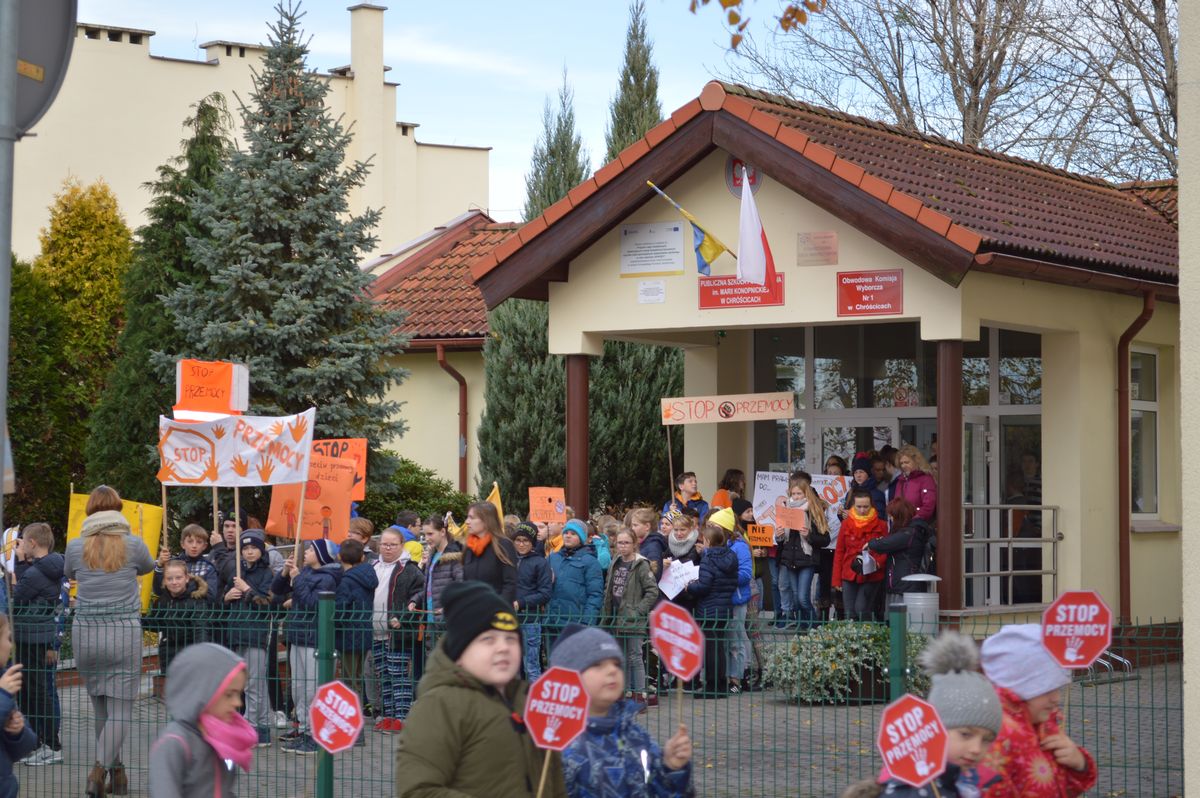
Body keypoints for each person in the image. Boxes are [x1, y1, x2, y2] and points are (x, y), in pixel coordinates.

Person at [394, 582, 568, 798]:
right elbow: (417, 791)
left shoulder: (531, 702)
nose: (503, 647)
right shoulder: (439, 705)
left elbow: (553, 783)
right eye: (488, 640)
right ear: (460, 651)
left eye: (511, 639)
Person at [64, 486, 155, 797]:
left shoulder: (76, 546)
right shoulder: (134, 544)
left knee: (100, 707)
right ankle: (99, 770)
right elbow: (149, 566)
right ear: (118, 509)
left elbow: (68, 571)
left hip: (86, 633)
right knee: (120, 709)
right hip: (122, 634)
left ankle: (117, 775)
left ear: (90, 510)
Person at [841, 632, 1003, 798]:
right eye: (966, 734)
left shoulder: (963, 782)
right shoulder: (911, 792)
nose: (976, 749)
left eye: (986, 739)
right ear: (934, 728)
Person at [551, 625, 694, 798]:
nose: (612, 670)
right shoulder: (559, 746)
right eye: (597, 665)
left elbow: (658, 791)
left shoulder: (637, 736)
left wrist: (671, 768)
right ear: (569, 677)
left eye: (616, 664)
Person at [979, 625, 1097, 797]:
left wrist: (1079, 764)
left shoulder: (1043, 725)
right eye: (1047, 689)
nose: (1056, 698)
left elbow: (1059, 788)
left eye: (1057, 688)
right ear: (1019, 687)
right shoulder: (997, 738)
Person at [148, 643, 254, 798]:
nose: (238, 703)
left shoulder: (221, 737)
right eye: (229, 694)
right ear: (203, 691)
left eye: (239, 694)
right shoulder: (174, 743)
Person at [271, 539, 342, 755]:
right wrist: (285, 572)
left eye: (311, 549)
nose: (307, 552)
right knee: (299, 687)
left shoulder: (328, 578)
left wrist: (297, 579)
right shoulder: (306, 572)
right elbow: (276, 590)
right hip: (298, 636)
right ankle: (303, 728)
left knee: (313, 688)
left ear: (321, 555)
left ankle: (316, 734)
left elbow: (312, 604)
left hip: (314, 639)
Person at [12, 522, 64, 766]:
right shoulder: (50, 567)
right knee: (33, 691)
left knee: (36, 693)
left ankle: (51, 745)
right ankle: (38, 743)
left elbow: (17, 598)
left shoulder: (35, 572)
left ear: (32, 543)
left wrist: (20, 563)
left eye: (23, 541)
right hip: (39, 635)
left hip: (31, 636)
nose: (21, 545)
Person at [219, 529, 275, 749]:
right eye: (246, 548)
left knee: (254, 683)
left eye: (254, 548)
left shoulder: (267, 573)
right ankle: (262, 729)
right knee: (248, 683)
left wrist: (247, 590)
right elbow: (224, 599)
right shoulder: (237, 571)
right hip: (237, 633)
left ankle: (250, 727)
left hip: (256, 634)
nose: (249, 552)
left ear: (261, 551)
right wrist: (227, 597)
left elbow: (268, 604)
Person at [602, 529, 658, 703]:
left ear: (634, 544)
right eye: (620, 542)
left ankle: (640, 694)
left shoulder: (641, 565)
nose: (623, 546)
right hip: (617, 616)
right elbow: (609, 587)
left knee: (635, 656)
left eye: (626, 543)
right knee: (622, 657)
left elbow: (652, 591)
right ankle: (625, 692)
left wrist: (639, 610)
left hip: (633, 617)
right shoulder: (615, 562)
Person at [685, 525, 737, 698]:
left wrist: (690, 586)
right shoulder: (731, 556)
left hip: (709, 608)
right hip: (724, 606)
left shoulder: (708, 558)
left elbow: (704, 586)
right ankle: (721, 683)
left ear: (707, 541)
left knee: (710, 649)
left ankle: (712, 686)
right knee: (719, 646)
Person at [335, 538, 379, 741]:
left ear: (339, 557)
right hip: (364, 632)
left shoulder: (346, 581)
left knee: (349, 682)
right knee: (357, 679)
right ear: (362, 557)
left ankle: (354, 729)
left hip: (347, 634)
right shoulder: (368, 575)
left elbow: (340, 609)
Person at [145, 560, 212, 692]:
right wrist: (140, 620)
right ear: (164, 581)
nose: (174, 582)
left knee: (191, 691)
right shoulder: (163, 601)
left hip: (190, 651)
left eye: (178, 578)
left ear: (186, 578)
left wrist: (201, 652)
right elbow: (157, 624)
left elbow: (201, 628)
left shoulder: (196, 600)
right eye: (169, 579)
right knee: (173, 693)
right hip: (168, 651)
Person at [775, 475, 831, 629]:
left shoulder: (813, 511)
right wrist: (778, 535)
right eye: (793, 494)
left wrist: (809, 536)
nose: (796, 497)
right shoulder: (786, 510)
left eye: (799, 493)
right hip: (790, 560)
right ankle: (802, 629)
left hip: (807, 559)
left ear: (806, 493)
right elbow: (782, 540)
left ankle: (815, 628)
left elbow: (825, 539)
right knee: (795, 598)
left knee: (802, 598)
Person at [708, 508, 752, 692]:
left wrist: (722, 578)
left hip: (736, 599)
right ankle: (725, 677)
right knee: (725, 642)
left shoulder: (739, 546)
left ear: (724, 528)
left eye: (713, 526)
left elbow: (746, 574)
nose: (709, 529)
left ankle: (737, 679)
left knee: (736, 641)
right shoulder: (714, 546)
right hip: (721, 599)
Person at [831, 489, 887, 621]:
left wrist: (878, 563)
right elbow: (839, 552)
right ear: (853, 506)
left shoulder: (882, 525)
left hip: (872, 573)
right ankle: (853, 635)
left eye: (866, 507)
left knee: (862, 609)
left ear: (871, 506)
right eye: (859, 506)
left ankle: (869, 633)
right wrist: (836, 579)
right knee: (850, 613)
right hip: (849, 572)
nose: (862, 510)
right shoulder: (846, 524)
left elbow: (885, 550)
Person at [868, 497, 934, 607]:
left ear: (899, 516)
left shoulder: (908, 533)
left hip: (904, 586)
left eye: (892, 516)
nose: (891, 519)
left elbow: (882, 544)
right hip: (905, 584)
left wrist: (870, 543)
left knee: (899, 616)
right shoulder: (914, 530)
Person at [0, 613, 37, 796]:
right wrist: (3, 695)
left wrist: (17, 732)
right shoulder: (4, 690)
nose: (11, 645)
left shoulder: (4, 680)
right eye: (8, 638)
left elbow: (24, 748)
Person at [547, 520, 604, 631]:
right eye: (566, 532)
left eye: (573, 534)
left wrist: (587, 622)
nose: (568, 536)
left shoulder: (590, 562)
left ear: (581, 538)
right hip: (550, 621)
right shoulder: (552, 558)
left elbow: (595, 594)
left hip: (575, 623)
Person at [512, 523, 552, 681]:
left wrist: (521, 603)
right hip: (511, 619)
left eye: (526, 541)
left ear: (532, 542)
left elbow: (545, 593)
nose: (521, 544)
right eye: (518, 540)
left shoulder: (540, 562)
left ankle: (534, 695)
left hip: (530, 619)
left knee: (531, 666)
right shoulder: (509, 560)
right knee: (513, 666)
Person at [461, 502, 519, 603]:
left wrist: (497, 607)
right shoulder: (469, 547)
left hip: (496, 609)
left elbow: (510, 584)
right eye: (467, 517)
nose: (467, 522)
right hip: (472, 609)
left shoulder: (503, 545)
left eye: (472, 518)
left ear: (486, 520)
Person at [153, 523, 219, 603]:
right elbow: (158, 590)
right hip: (172, 607)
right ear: (182, 544)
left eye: (199, 542)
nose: (194, 546)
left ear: (204, 546)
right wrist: (160, 566)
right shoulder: (172, 564)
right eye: (190, 542)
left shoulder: (208, 567)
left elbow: (211, 596)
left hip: (196, 608)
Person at [662, 513, 702, 615]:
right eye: (676, 530)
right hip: (672, 594)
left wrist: (702, 554)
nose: (679, 533)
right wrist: (663, 564)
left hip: (690, 596)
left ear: (691, 529)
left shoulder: (698, 545)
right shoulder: (668, 543)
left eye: (683, 530)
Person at [895, 445, 937, 522]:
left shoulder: (926, 479)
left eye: (907, 462)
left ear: (916, 461)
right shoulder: (900, 481)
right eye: (901, 463)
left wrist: (912, 518)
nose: (903, 466)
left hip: (917, 524)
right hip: (901, 524)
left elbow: (928, 507)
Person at [629, 508, 668, 580]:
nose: (632, 528)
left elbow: (654, 575)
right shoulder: (644, 543)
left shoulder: (653, 547)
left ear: (647, 526)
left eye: (635, 525)